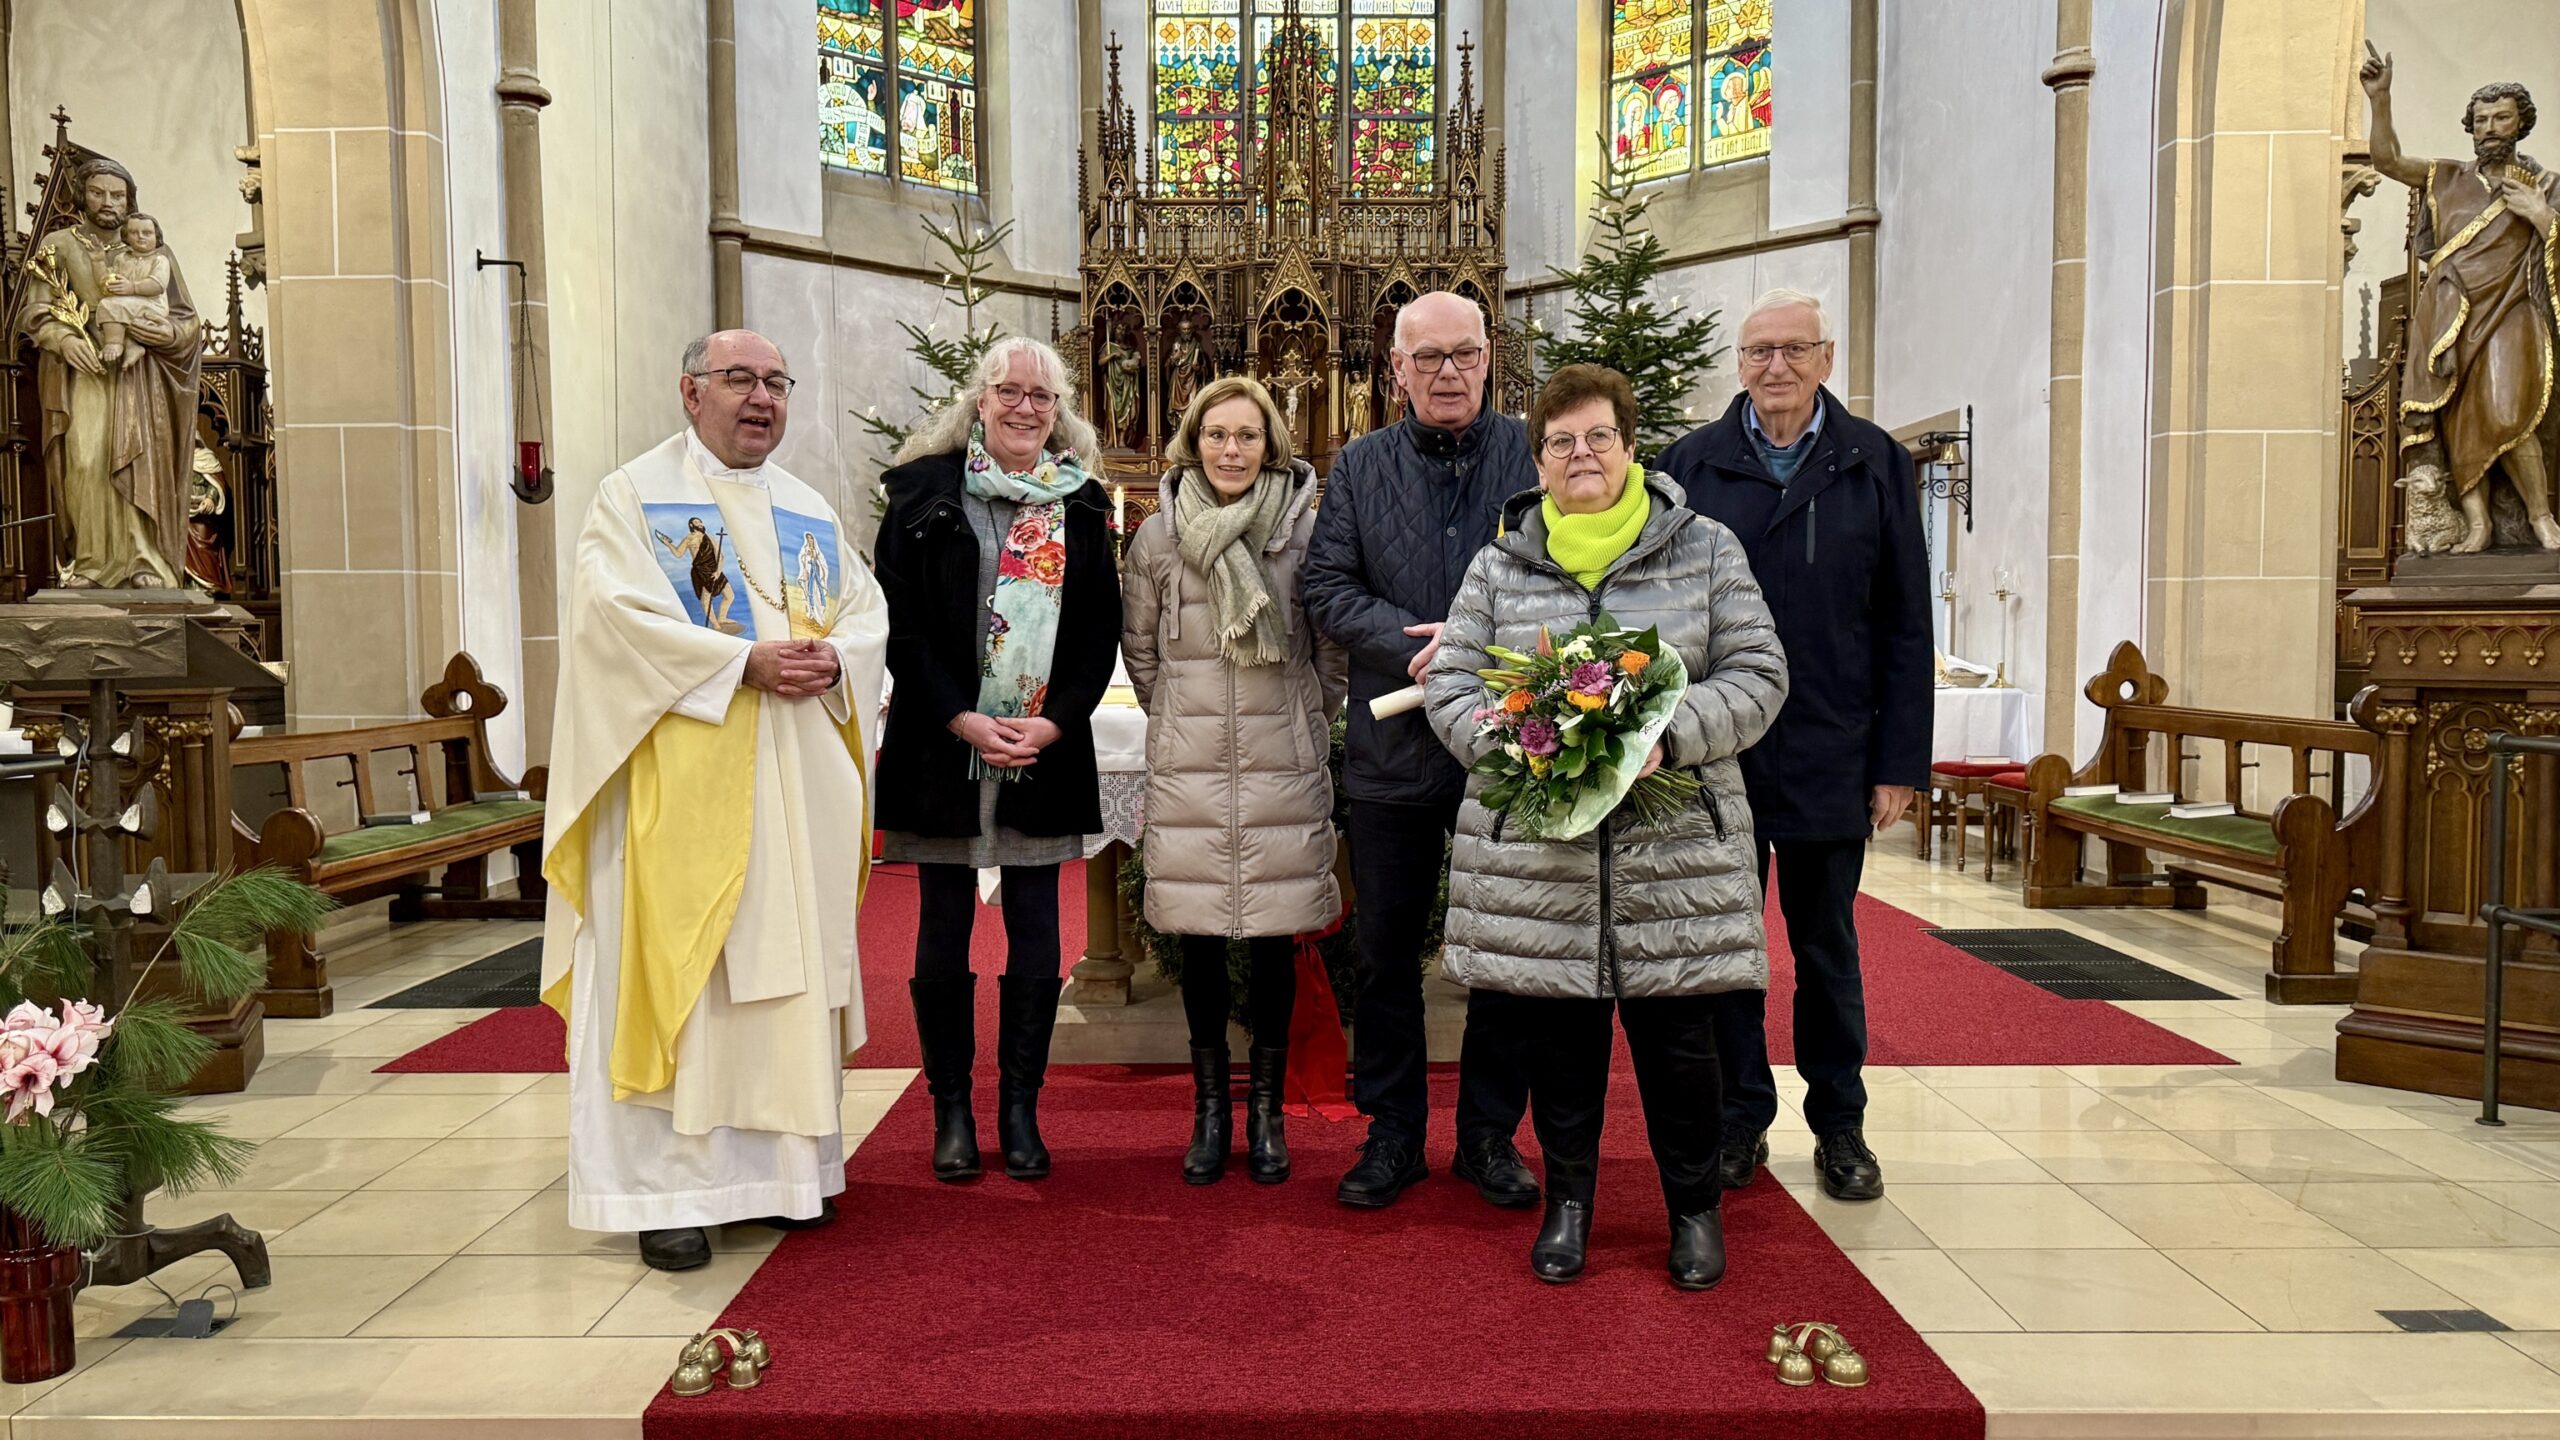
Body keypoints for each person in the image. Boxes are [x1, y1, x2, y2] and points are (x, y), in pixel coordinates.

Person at [1425, 363, 1786, 1287]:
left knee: (1681, 1047)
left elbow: (1758, 675)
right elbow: (1453, 685)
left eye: (1597, 437)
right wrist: (1522, 744)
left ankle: (1694, 1211)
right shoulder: (1500, 561)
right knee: (1563, 1050)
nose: (1579, 455)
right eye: (1559, 442)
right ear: (1538, 460)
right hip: (1545, 853)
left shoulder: (1704, 549)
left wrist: (1661, 737)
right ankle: (1569, 1205)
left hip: (1676, 849)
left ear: (1630, 446)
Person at [539, 329, 888, 1273]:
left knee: (791, 976)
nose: (761, 398)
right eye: (740, 379)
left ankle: (784, 1178)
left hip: (799, 777)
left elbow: (864, 614)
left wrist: (834, 659)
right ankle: (669, 1195)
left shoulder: (807, 507)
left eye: (776, 382)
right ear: (690, 391)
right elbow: (611, 621)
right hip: (682, 783)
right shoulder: (635, 497)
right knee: (689, 980)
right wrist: (741, 661)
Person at [1656, 289, 1931, 1204]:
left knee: (1826, 948)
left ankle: (1841, 1124)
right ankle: (1741, 1120)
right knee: (1728, 948)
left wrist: (1900, 763)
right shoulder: (1690, 465)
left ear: (1826, 357)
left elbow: (1904, 623)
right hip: (1716, 750)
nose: (1776, 366)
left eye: (1794, 350)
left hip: (1829, 745)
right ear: (1737, 365)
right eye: (1759, 351)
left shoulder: (1874, 462)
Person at [1302, 289, 1538, 1210]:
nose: (1449, 372)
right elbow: (1326, 586)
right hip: (1395, 744)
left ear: (1490, 359)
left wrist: (1476, 638)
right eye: (1428, 357)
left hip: (1509, 747)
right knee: (1386, 950)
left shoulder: (1532, 452)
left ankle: (1487, 1135)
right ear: (1394, 368)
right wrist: (1414, 637)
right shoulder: (1359, 465)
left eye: (1465, 354)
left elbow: (1571, 575)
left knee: (1505, 951)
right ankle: (1394, 1132)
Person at [875, 336, 1121, 1185]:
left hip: (1042, 749)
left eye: (1041, 396)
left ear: (1060, 412)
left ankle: (1020, 1108)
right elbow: (897, 620)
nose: (1025, 407)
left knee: (1038, 932)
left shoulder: (1083, 503)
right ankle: (952, 1108)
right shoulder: (919, 492)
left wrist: (1054, 722)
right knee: (942, 927)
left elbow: (1098, 630)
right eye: (1008, 391)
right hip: (944, 747)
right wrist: (959, 716)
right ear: (979, 400)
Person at [1123, 375, 1345, 1186]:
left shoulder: (1304, 531)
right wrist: (1180, 713)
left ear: (1272, 445)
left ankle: (1268, 1116)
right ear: (1192, 440)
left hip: (1279, 757)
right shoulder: (1158, 538)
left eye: (1247, 436)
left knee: (1276, 939)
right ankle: (1212, 1113)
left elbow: (1330, 655)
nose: (1230, 450)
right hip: (1190, 762)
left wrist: (1295, 716)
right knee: (1203, 940)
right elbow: (1141, 653)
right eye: (1216, 434)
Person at [2361, 50, 2560, 553]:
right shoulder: (2445, 177)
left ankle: (2542, 519)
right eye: (2481, 120)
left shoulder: (2547, 185)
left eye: (2501, 118)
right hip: (2449, 312)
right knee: (2457, 418)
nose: (2490, 128)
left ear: (2521, 123)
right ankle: (2478, 526)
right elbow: (2386, 161)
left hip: (2513, 309)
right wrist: (2380, 99)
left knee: (2510, 409)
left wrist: (2541, 216)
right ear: (2471, 127)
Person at [94, 213, 171, 369]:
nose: (140, 237)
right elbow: (105, 281)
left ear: (157, 237)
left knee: (117, 306)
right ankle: (126, 345)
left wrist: (132, 287)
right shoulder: (121, 259)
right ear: (126, 236)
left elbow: (158, 285)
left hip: (152, 305)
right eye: (134, 233)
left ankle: (116, 343)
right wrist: (98, 261)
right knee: (106, 304)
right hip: (128, 304)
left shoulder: (159, 260)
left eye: (147, 233)